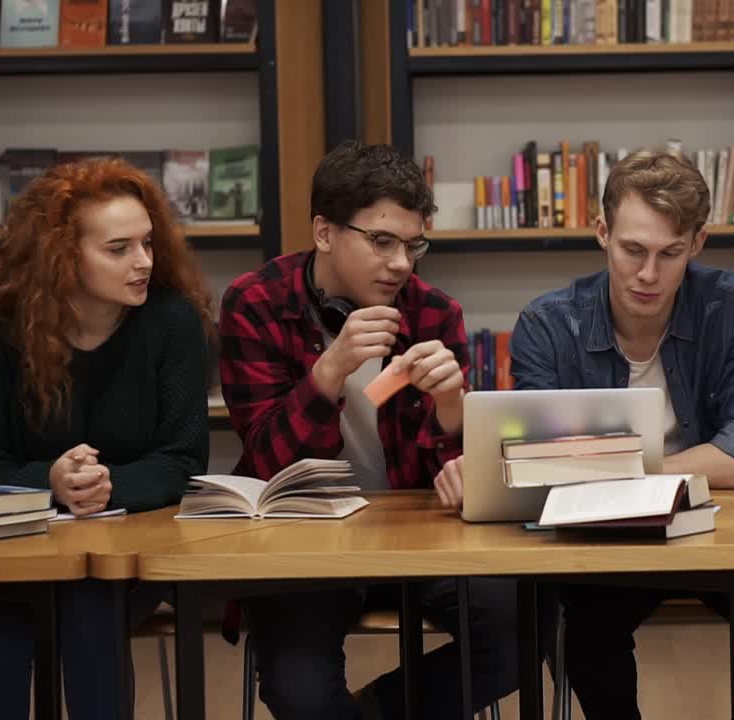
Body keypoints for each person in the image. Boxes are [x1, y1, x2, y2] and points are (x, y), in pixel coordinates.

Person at [433, 148, 734, 720]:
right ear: (603, 233)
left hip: (717, 527)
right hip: (605, 540)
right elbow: (536, 467)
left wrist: (612, 470)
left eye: (670, 253)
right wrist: (599, 475)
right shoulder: (548, 324)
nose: (649, 274)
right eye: (633, 250)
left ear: (699, 244)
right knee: (586, 625)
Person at [218, 140, 517, 719]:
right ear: (325, 232)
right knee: (297, 689)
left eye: (413, 244)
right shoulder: (253, 303)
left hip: (417, 530)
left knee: (515, 638)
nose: (402, 263)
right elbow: (267, 461)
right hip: (302, 536)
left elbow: (457, 476)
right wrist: (328, 371)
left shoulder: (434, 312)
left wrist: (454, 407)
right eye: (382, 241)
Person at [0, 158, 214, 718]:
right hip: (20, 546)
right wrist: (51, 481)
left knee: (90, 599)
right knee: (3, 620)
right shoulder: (3, 331)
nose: (143, 262)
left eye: (146, 243)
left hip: (127, 550)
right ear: (62, 256)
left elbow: (183, 460)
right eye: (119, 249)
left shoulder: (173, 323)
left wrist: (105, 485)